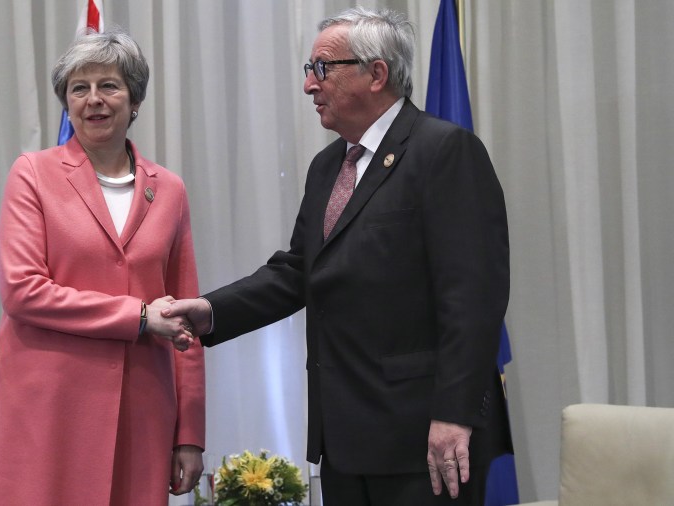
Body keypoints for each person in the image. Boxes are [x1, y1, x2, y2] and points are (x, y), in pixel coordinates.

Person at [165, 6, 511, 506]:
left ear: (377, 74)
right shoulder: (329, 166)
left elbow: (473, 298)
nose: (310, 85)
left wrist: (453, 414)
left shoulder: (444, 151)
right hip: (346, 438)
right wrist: (211, 311)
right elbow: (299, 272)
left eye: (322, 68)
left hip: (425, 436)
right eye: (310, 70)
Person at [0, 28, 204, 506]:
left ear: (134, 99)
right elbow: (22, 291)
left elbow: (188, 319)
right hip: (49, 409)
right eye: (78, 89)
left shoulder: (169, 189)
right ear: (66, 103)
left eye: (109, 86)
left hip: (142, 410)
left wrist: (189, 432)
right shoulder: (33, 173)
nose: (93, 100)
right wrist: (140, 316)